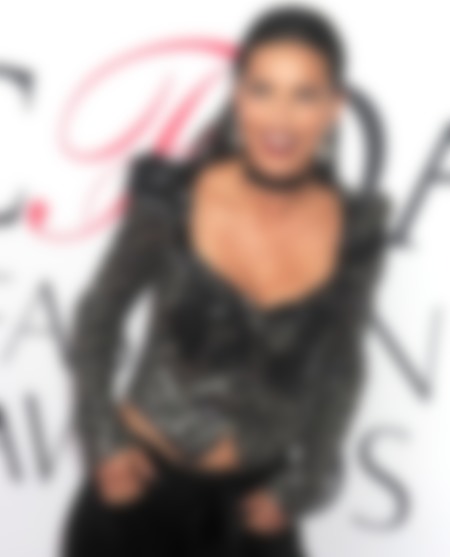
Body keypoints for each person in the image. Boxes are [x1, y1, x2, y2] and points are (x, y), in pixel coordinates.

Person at [62, 5, 388, 557]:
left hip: (254, 513)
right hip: (137, 498)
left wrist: (307, 480)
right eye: (262, 90)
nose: (280, 118)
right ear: (238, 96)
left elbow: (342, 362)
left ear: (335, 106)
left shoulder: (355, 229)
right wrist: (102, 440)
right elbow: (100, 313)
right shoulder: (173, 199)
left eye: (304, 95)